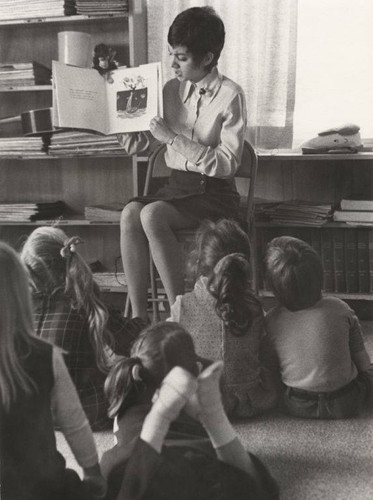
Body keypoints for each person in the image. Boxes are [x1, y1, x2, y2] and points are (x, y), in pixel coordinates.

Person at [118, 6, 247, 321]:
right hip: (178, 187)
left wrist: (173, 139)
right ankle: (138, 318)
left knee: (151, 214)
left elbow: (227, 163)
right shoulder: (169, 90)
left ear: (206, 58)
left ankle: (179, 314)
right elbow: (149, 142)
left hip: (214, 192)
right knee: (130, 213)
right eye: (171, 55)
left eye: (182, 57)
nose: (172, 64)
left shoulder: (231, 95)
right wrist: (124, 130)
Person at [100, 321, 279, 500]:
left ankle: (160, 418)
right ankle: (214, 417)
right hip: (199, 458)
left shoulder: (123, 405)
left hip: (141, 462)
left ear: (135, 372)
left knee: (112, 474)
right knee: (256, 482)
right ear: (197, 370)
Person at [0, 241, 106, 500]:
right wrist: (93, 473)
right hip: (44, 488)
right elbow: (74, 422)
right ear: (22, 294)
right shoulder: (45, 356)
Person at [20, 226, 147, 430]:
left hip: (30, 413)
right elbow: (136, 339)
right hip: (86, 413)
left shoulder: (16, 308)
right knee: (136, 372)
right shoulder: (83, 303)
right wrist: (141, 316)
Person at [168, 219, 278, 418]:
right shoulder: (254, 308)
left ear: (199, 263)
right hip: (249, 402)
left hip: (203, 404)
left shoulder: (182, 306)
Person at [263, 235, 373, 419]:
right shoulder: (340, 308)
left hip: (296, 405)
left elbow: (272, 368)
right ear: (320, 275)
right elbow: (363, 362)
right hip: (345, 402)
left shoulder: (271, 320)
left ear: (273, 288)